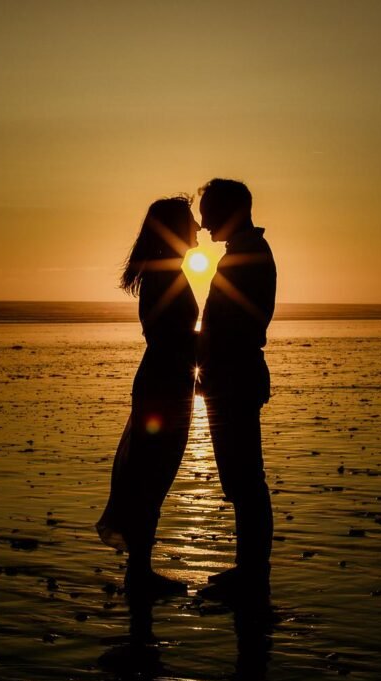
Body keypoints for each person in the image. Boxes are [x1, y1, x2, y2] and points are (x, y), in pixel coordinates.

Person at [97, 196, 200, 595]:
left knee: (153, 472)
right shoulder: (165, 276)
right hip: (164, 382)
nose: (197, 227)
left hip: (169, 379)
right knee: (151, 472)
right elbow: (166, 334)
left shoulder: (168, 272)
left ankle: (140, 569)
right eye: (190, 220)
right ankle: (139, 573)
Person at [195, 178, 277, 599]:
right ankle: (249, 570)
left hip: (235, 377)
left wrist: (202, 356)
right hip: (232, 376)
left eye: (209, 211)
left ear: (232, 210)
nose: (203, 221)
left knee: (245, 480)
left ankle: (251, 574)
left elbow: (236, 325)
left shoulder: (248, 256)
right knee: (241, 480)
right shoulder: (245, 254)